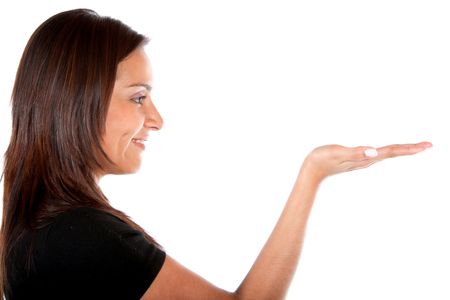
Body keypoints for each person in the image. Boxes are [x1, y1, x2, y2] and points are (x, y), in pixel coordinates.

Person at [0, 8, 432, 300]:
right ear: (78, 102)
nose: (156, 118)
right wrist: (312, 175)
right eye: (138, 98)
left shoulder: (36, 228)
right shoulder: (81, 237)